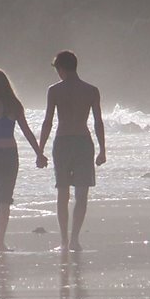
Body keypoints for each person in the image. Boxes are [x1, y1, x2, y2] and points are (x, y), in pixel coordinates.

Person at [0, 68, 47, 253]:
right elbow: (27, 132)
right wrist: (39, 153)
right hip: (9, 155)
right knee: (2, 201)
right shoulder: (14, 104)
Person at [38, 50, 106, 252]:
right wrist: (103, 149)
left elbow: (48, 122)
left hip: (63, 142)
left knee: (63, 192)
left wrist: (40, 150)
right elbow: (98, 122)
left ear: (61, 68)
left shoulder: (54, 90)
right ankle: (74, 239)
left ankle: (64, 241)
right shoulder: (91, 90)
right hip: (84, 142)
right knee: (81, 193)